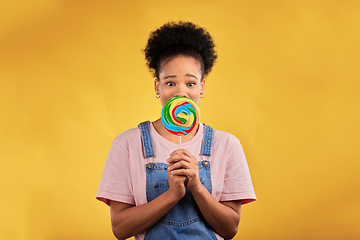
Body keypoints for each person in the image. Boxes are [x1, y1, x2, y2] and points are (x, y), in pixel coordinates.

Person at [96, 21, 256, 240]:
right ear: (157, 86)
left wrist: (197, 187)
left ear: (202, 86)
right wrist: (172, 195)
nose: (180, 91)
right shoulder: (127, 144)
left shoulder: (226, 144)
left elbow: (230, 229)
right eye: (170, 83)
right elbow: (120, 229)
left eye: (190, 83)